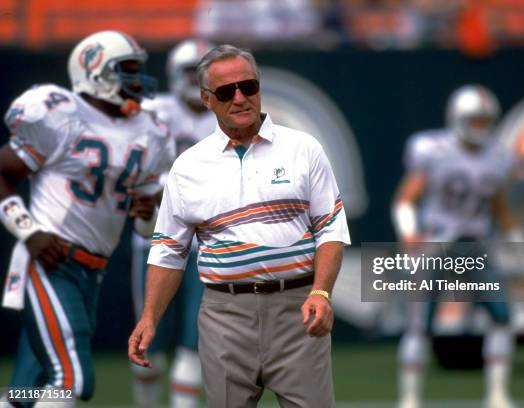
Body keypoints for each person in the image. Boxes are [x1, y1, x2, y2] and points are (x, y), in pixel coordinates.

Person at [128, 44, 351, 408]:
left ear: (259, 87)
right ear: (206, 99)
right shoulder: (188, 167)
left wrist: (322, 292)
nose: (239, 97)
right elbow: (169, 250)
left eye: (248, 86)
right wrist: (150, 318)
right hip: (224, 314)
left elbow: (330, 228)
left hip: (296, 308)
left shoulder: (303, 148)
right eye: (225, 91)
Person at [0, 30, 173, 407]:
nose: (137, 78)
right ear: (94, 72)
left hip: (92, 271)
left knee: (25, 389)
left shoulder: (151, 132)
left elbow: (144, 225)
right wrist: (28, 232)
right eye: (127, 69)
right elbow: (3, 173)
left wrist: (146, 214)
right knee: (73, 378)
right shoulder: (61, 113)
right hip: (51, 260)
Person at [392, 85, 524, 408]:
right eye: (474, 120)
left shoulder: (497, 157)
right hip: (438, 242)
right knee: (419, 325)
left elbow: (500, 209)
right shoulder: (434, 149)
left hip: (476, 244)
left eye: (484, 120)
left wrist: (520, 246)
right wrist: (409, 231)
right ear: (458, 118)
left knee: (503, 316)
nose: (480, 126)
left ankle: (496, 395)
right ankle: (409, 399)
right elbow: (405, 199)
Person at [130, 38, 216, 408]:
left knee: (195, 342)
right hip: (156, 243)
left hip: (208, 244)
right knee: (148, 339)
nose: (198, 80)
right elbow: (135, 175)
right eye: (191, 71)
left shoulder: (225, 115)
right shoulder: (151, 112)